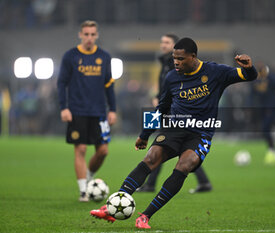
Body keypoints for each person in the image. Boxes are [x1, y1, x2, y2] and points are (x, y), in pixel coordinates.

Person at [90, 37, 257, 229]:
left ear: (193, 57)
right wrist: (145, 134)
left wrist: (249, 67)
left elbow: (248, 76)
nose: (176, 62)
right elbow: (161, 108)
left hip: (200, 134)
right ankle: (111, 207)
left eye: (180, 58)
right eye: (174, 58)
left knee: (185, 165)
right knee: (151, 158)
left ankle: (145, 216)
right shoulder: (171, 77)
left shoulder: (215, 72)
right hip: (174, 128)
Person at [137, 33, 213, 194]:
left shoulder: (177, 66)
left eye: (167, 42)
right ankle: (203, 181)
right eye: (162, 42)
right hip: (165, 107)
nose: (163, 45)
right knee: (167, 145)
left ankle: (150, 184)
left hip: (174, 113)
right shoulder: (166, 63)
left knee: (163, 144)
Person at [57, 20, 117, 202]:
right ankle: (83, 191)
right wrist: (64, 107)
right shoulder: (70, 56)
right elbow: (61, 83)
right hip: (77, 110)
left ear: (97, 35)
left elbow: (109, 85)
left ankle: (88, 176)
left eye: (92, 34)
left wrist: (113, 109)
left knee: (103, 151)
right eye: (86, 34)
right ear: (80, 35)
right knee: (81, 149)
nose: (89, 38)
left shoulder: (104, 57)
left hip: (99, 111)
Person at [251, 62, 275, 165]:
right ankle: (273, 148)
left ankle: (272, 147)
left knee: (266, 127)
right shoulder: (257, 80)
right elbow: (253, 92)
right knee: (265, 129)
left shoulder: (271, 78)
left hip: (271, 107)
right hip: (262, 108)